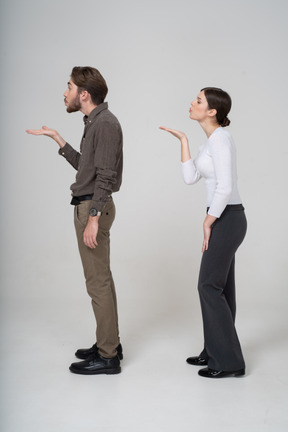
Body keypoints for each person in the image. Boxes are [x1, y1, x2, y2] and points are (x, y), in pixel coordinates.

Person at [26, 66, 123, 375]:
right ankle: (109, 343)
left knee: (97, 283)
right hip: (90, 206)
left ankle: (108, 356)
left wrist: (93, 217)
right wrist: (58, 139)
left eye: (68, 87)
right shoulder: (94, 122)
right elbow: (88, 169)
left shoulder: (104, 124)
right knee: (102, 281)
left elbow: (105, 176)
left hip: (92, 208)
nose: (64, 92)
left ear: (83, 93)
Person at [160, 87, 247, 378]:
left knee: (208, 286)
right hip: (223, 217)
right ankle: (215, 351)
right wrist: (184, 140)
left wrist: (208, 221)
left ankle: (229, 362)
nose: (192, 103)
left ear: (212, 111)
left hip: (227, 218)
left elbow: (225, 185)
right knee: (221, 288)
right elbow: (190, 177)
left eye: (198, 101)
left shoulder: (222, 139)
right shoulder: (208, 143)